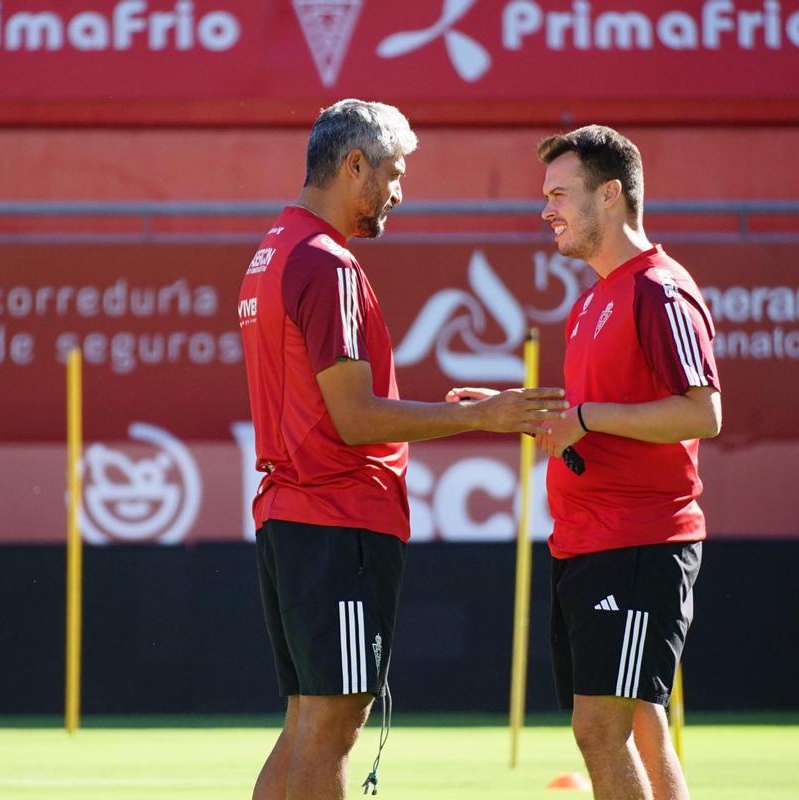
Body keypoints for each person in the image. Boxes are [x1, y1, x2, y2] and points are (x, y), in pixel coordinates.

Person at [237, 98, 568, 800]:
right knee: (332, 720)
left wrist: (463, 412)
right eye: (394, 171)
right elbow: (355, 421)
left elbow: (338, 410)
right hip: (338, 518)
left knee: (307, 720)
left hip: (295, 513)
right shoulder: (326, 264)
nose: (399, 190)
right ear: (354, 164)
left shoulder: (276, 251)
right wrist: (491, 416)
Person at [536, 125, 722, 799]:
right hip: (588, 542)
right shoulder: (590, 301)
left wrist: (587, 419)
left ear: (610, 196)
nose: (547, 209)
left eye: (561, 193)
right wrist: (524, 414)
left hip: (639, 543)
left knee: (599, 728)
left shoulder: (659, 290)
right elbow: (600, 421)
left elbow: (703, 412)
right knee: (639, 722)